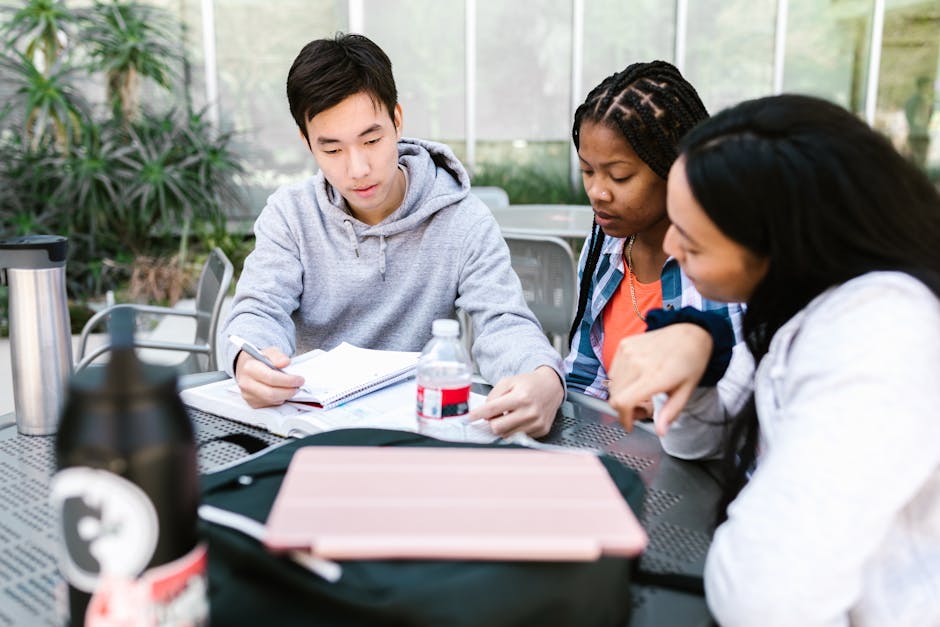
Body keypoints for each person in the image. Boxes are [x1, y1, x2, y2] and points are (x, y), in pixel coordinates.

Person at [607, 94, 940, 626]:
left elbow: (765, 593)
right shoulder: (798, 306)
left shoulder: (882, 333)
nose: (671, 245)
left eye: (692, 240)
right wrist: (699, 353)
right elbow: (696, 442)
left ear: (782, 246)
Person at [221, 33, 565, 437]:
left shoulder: (462, 219)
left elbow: (504, 322)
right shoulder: (290, 215)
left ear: (397, 120)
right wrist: (249, 360)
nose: (358, 169)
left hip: (416, 431)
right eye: (332, 150)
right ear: (307, 142)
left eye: (371, 140)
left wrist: (544, 377)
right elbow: (257, 311)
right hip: (311, 431)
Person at [563, 61, 744, 401]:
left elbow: (746, 390)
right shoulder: (603, 246)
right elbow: (583, 376)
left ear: (674, 167)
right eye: (587, 171)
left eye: (619, 176)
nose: (597, 192)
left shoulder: (729, 259)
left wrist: (665, 405)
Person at [904, 75, 934, 169]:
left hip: (913, 134)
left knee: (913, 164)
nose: (930, 89)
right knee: (920, 165)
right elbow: (920, 120)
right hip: (920, 136)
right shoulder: (922, 101)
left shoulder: (910, 101)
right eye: (929, 86)